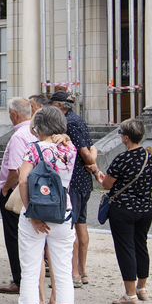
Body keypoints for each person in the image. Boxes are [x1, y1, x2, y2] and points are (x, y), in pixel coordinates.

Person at [15, 106, 78, 304]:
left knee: (30, 267)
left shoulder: (34, 149)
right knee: (62, 269)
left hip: (36, 213)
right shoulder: (69, 149)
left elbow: (23, 181)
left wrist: (31, 212)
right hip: (63, 211)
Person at [97, 118, 152, 304]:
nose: (120, 136)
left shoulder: (122, 159)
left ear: (126, 138)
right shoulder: (148, 157)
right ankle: (142, 287)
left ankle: (130, 294)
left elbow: (107, 184)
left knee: (126, 249)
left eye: (121, 133)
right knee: (141, 245)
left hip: (123, 209)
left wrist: (100, 176)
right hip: (146, 208)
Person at [49, 91, 98, 286]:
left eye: (52, 105)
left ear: (60, 106)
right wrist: (93, 165)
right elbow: (92, 147)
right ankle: (82, 271)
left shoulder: (69, 123)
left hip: (75, 180)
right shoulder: (78, 120)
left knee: (73, 226)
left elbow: (85, 151)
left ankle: (74, 273)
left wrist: (90, 161)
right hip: (83, 179)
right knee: (81, 223)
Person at [0, 97, 38, 294]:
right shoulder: (38, 132)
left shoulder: (19, 136)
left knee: (14, 236)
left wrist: (5, 189)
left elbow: (15, 170)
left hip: (16, 192)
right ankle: (29, 279)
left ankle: (19, 280)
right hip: (35, 191)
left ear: (14, 115)